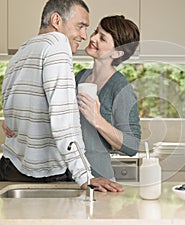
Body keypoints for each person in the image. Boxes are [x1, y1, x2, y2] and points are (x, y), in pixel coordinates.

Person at [0, 0, 123, 192]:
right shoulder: (58, 44)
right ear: (56, 20)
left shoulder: (22, 52)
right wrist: (85, 175)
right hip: (45, 174)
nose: (84, 36)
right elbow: (63, 117)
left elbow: (9, 107)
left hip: (11, 168)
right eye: (80, 26)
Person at [76, 15, 141, 180]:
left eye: (102, 38)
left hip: (99, 178)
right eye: (96, 31)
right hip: (71, 176)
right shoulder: (79, 77)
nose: (93, 38)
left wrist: (97, 119)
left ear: (117, 52)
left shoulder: (120, 87)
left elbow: (132, 145)